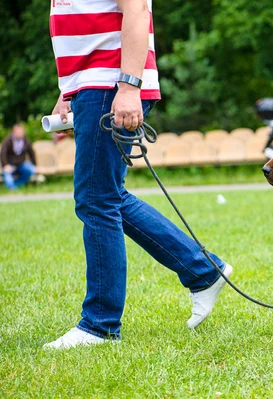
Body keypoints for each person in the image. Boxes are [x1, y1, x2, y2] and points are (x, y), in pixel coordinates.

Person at [44, 0, 232, 349]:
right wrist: (67, 90)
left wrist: (129, 87)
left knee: (97, 201)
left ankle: (99, 325)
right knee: (107, 197)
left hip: (111, 84)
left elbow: (136, 9)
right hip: (92, 84)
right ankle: (203, 272)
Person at [1, 123, 37, 190]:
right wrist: (5, 165)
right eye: (18, 132)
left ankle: (18, 184)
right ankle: (12, 188)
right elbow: (3, 154)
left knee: (31, 169)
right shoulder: (8, 141)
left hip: (21, 164)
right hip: (10, 164)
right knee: (7, 175)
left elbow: (31, 153)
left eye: (21, 132)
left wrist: (35, 165)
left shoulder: (26, 140)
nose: (19, 133)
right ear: (13, 132)